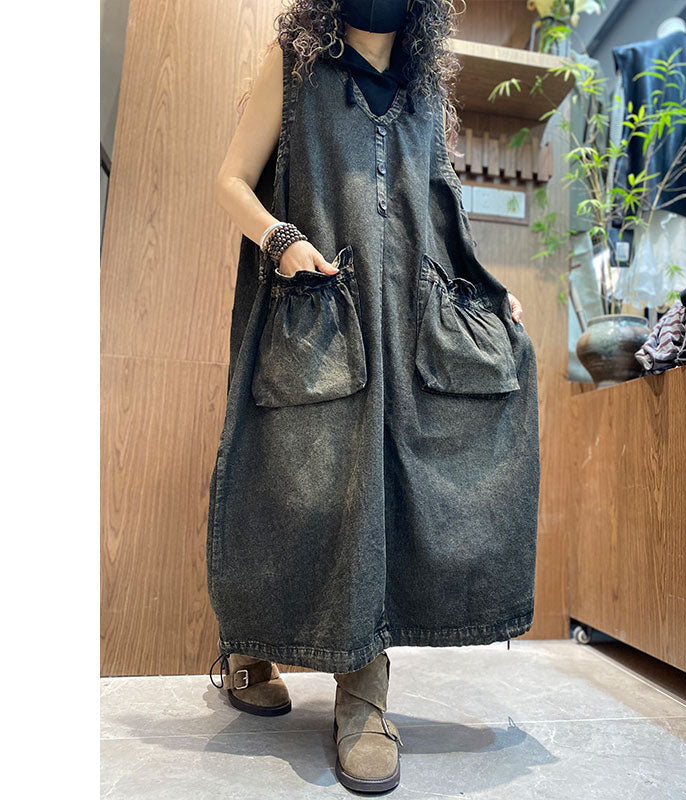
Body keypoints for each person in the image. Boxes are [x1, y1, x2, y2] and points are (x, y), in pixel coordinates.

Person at [206, 0, 540, 792]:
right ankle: (247, 645)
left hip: (408, 320)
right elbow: (230, 181)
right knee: (286, 485)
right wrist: (281, 241)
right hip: (313, 308)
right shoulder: (293, 65)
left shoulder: (424, 92)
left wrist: (490, 292)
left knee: (387, 495)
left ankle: (362, 694)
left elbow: (444, 214)